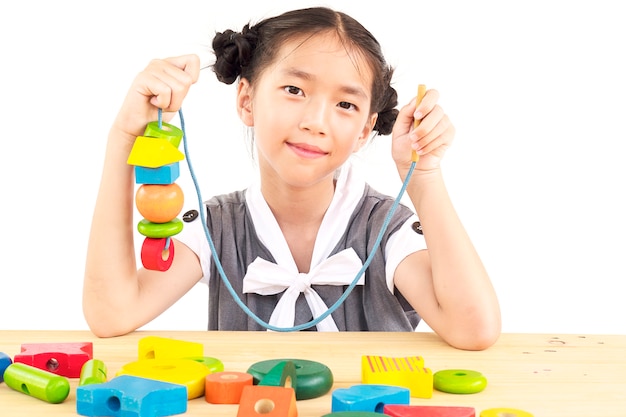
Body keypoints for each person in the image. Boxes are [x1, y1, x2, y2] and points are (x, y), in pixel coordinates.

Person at [83, 6, 501, 350]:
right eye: (295, 90)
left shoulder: (385, 229)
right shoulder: (218, 228)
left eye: (345, 104)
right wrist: (123, 138)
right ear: (246, 100)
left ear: (364, 130)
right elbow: (112, 312)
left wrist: (423, 175)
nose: (316, 122)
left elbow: (474, 329)